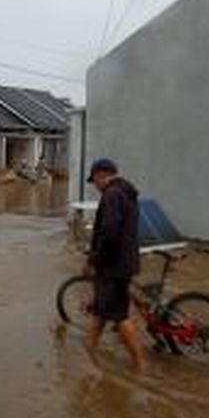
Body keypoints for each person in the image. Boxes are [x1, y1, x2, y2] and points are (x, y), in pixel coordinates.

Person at [83, 158, 146, 372]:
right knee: (101, 310)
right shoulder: (127, 193)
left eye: (95, 181)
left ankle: (139, 363)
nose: (95, 186)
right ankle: (89, 350)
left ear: (102, 175)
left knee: (119, 316)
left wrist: (94, 260)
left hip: (112, 265)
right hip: (124, 262)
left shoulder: (112, 195)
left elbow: (109, 234)